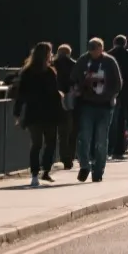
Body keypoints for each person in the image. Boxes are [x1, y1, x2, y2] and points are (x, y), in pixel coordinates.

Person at [70, 37, 124, 183]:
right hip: (87, 105)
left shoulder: (109, 61)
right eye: (91, 48)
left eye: (96, 48)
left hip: (105, 106)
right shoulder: (83, 61)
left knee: (101, 139)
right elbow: (74, 78)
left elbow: (118, 83)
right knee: (84, 138)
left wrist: (112, 95)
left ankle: (98, 170)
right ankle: (85, 166)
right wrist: (77, 88)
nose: (93, 51)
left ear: (101, 48)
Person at [15, 42, 63, 186]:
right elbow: (54, 94)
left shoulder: (27, 72)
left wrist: (17, 113)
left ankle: (35, 174)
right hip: (49, 113)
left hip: (33, 113)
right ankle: (46, 171)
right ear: (47, 55)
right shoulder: (50, 72)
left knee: (36, 144)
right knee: (50, 143)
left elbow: (20, 95)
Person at [52, 43, 78, 171]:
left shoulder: (52, 64)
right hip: (69, 101)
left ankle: (50, 159)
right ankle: (68, 157)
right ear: (69, 53)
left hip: (53, 100)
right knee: (68, 132)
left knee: (52, 132)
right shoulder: (74, 64)